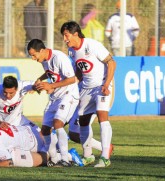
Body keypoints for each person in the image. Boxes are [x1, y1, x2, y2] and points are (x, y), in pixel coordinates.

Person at [60, 21, 116, 167]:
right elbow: (79, 71)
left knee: (102, 115)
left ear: (75, 34)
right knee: (83, 120)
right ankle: (88, 156)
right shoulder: (71, 51)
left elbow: (112, 63)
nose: (65, 39)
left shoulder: (92, 45)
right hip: (86, 87)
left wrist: (106, 84)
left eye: (66, 35)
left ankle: (104, 157)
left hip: (102, 85)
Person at [27, 39, 79, 167]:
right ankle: (54, 159)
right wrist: (40, 80)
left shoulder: (59, 57)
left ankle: (65, 160)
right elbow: (49, 73)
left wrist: (51, 85)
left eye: (34, 55)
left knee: (58, 124)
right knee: (45, 130)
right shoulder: (44, 60)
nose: (33, 58)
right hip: (55, 97)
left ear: (42, 50)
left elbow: (72, 79)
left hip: (68, 95)